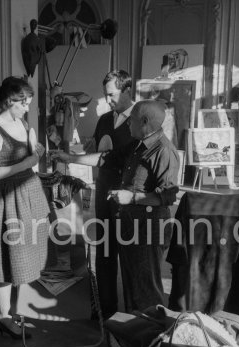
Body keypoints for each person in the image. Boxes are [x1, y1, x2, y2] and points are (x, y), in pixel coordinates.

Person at [52, 100, 180, 312]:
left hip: (148, 228)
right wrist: (71, 158)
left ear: (145, 122)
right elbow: (107, 159)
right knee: (132, 284)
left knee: (146, 288)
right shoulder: (138, 144)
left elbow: (167, 196)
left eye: (131, 121)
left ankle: (149, 336)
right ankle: (134, 331)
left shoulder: (164, 151)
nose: (127, 124)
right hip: (130, 224)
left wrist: (131, 197)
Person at [0, 76, 49, 339]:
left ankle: (9, 310)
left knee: (24, 255)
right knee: (7, 257)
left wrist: (35, 150)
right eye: (24, 103)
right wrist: (29, 160)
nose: (27, 108)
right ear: (9, 100)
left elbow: (31, 158)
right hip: (7, 200)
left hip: (27, 194)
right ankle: (5, 315)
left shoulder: (22, 123)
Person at [83, 70, 135, 319]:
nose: (109, 100)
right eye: (106, 96)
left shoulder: (141, 119)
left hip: (128, 199)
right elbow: (96, 153)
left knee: (129, 256)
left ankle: (133, 313)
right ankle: (106, 309)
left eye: (112, 95)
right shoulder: (104, 120)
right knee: (104, 252)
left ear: (127, 90)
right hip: (103, 193)